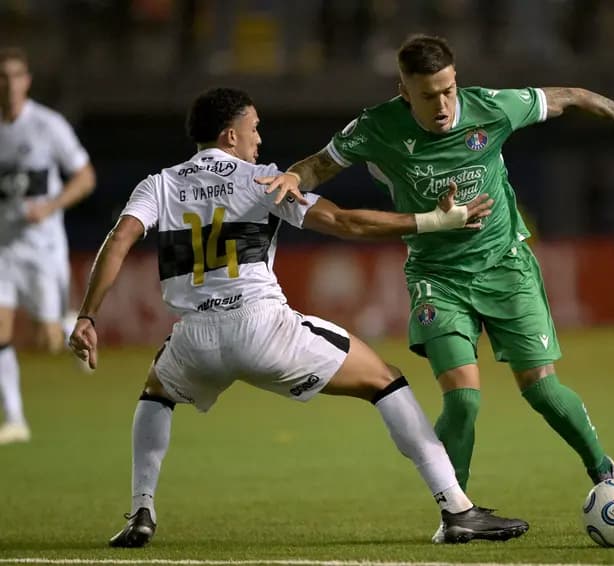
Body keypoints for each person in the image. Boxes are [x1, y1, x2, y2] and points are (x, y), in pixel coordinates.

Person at [258, 34, 614, 543]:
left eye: (448, 89)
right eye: (428, 95)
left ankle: (604, 472)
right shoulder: (376, 126)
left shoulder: (491, 107)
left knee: (542, 389)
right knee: (463, 401)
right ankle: (456, 515)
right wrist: (293, 177)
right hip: (436, 275)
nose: (443, 104)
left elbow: (575, 95)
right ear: (404, 90)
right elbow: (318, 165)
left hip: (506, 266)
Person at [68, 87, 527, 548]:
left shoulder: (159, 185)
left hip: (195, 338)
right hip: (262, 326)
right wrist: (432, 221)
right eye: (254, 129)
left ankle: (142, 510)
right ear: (230, 135)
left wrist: (89, 314)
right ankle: (456, 509)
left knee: (156, 392)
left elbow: (120, 238)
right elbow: (346, 223)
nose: (259, 140)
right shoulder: (266, 180)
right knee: (385, 380)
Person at [0, 47, 96, 445]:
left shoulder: (46, 125)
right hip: (2, 247)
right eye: (2, 77)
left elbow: (85, 177)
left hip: (42, 248)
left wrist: (52, 205)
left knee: (47, 341)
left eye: (16, 76)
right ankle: (15, 419)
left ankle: (68, 324)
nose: (9, 85)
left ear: (27, 80)